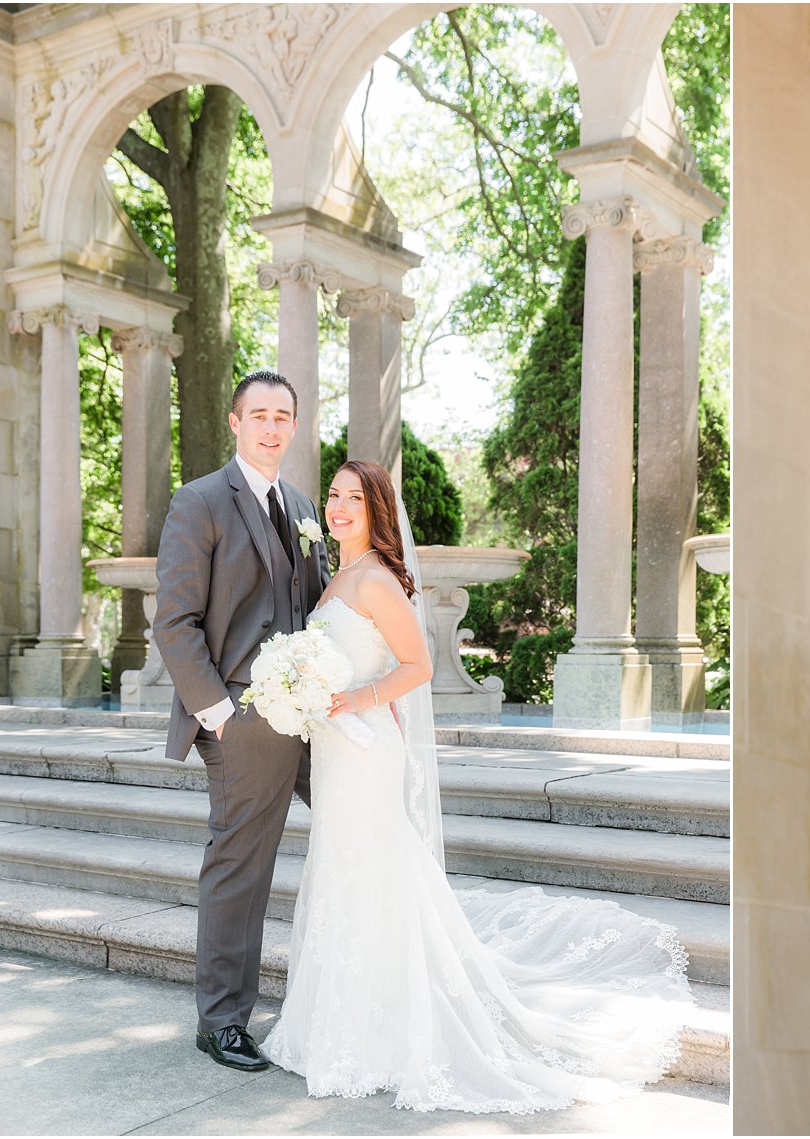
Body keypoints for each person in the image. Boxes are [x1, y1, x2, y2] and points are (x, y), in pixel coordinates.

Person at [257, 459, 692, 1113]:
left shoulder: (375, 579)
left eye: (356, 497)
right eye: (335, 495)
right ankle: (340, 1015)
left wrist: (355, 697)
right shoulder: (333, 577)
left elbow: (419, 665)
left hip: (368, 745)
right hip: (336, 751)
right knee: (342, 867)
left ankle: (385, 1025)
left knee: (374, 867)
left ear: (378, 510)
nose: (341, 506)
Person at [153, 370, 331, 1072]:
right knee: (241, 870)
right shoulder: (199, 502)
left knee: (367, 832)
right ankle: (221, 1021)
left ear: (293, 425)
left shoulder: (302, 504)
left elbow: (312, 608)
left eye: (283, 415)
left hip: (310, 716)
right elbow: (173, 620)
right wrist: (219, 713)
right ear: (235, 422)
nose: (271, 426)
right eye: (258, 414)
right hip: (241, 719)